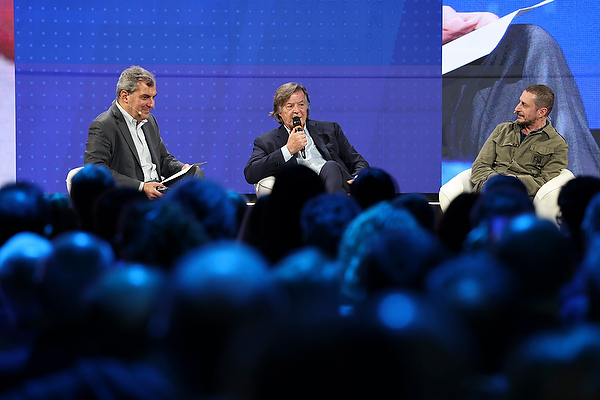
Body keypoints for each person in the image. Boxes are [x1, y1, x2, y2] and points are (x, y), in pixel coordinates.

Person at [84, 65, 204, 200]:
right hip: (131, 196)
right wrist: (141, 187)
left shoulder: (149, 120)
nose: (152, 104)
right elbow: (95, 169)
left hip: (158, 190)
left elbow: (163, 159)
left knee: (195, 173)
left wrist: (181, 169)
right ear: (125, 96)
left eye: (153, 97)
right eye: (145, 97)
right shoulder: (104, 125)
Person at [244, 82, 369, 193]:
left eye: (301, 104)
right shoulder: (266, 141)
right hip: (302, 193)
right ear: (279, 112)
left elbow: (359, 162)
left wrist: (357, 179)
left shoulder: (330, 129)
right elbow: (251, 173)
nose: (297, 110)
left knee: (331, 166)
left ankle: (326, 206)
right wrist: (288, 150)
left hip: (337, 184)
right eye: (290, 106)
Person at [470, 84, 568, 197]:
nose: (516, 109)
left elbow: (544, 181)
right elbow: (479, 166)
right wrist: (498, 180)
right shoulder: (502, 130)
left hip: (519, 197)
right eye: (519, 102)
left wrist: (515, 181)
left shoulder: (558, 144)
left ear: (541, 112)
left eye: (524, 105)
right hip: (487, 190)